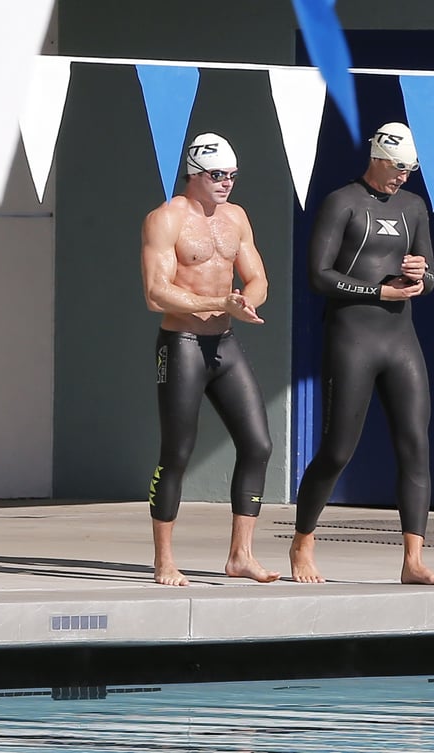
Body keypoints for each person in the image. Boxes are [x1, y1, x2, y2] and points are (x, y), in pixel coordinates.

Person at [290, 122, 434, 586]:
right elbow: (318, 276)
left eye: (411, 169)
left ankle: (413, 560)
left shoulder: (414, 207)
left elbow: (430, 274)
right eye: (398, 167)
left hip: (400, 342)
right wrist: (378, 292)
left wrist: (422, 278)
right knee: (338, 449)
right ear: (377, 157)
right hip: (352, 339)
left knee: (415, 446)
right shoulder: (342, 202)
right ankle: (303, 540)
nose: (403, 176)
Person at [140, 132, 279, 587]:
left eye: (233, 176)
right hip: (180, 345)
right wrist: (220, 300)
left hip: (224, 344)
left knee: (258, 444)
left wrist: (245, 302)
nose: (227, 184)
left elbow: (257, 277)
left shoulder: (236, 219)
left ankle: (241, 555)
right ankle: (164, 560)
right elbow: (156, 294)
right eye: (218, 176)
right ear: (195, 175)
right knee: (177, 452)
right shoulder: (165, 219)